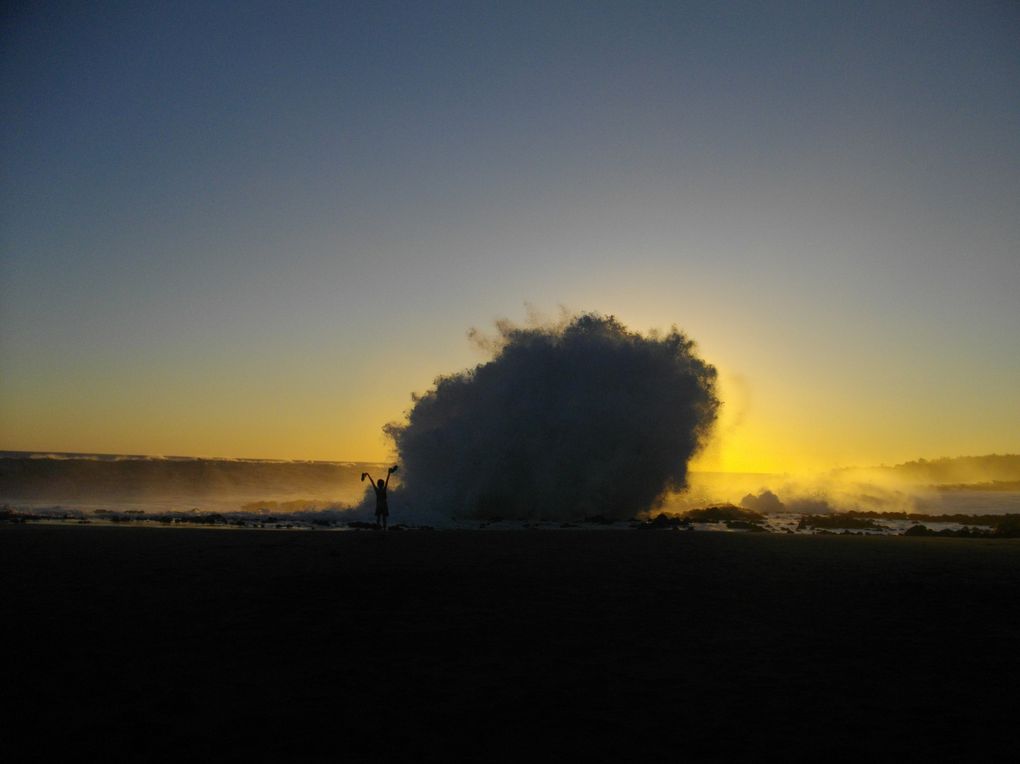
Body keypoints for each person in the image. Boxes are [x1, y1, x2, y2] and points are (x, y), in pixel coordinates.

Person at [362, 465, 398, 529]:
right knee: (384, 518)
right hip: (384, 506)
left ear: (378, 484)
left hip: (379, 506)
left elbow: (372, 482)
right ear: (382, 484)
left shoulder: (377, 490)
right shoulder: (384, 489)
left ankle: (378, 529)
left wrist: (368, 475)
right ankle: (384, 529)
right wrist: (389, 473)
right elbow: (387, 480)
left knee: (378, 518)